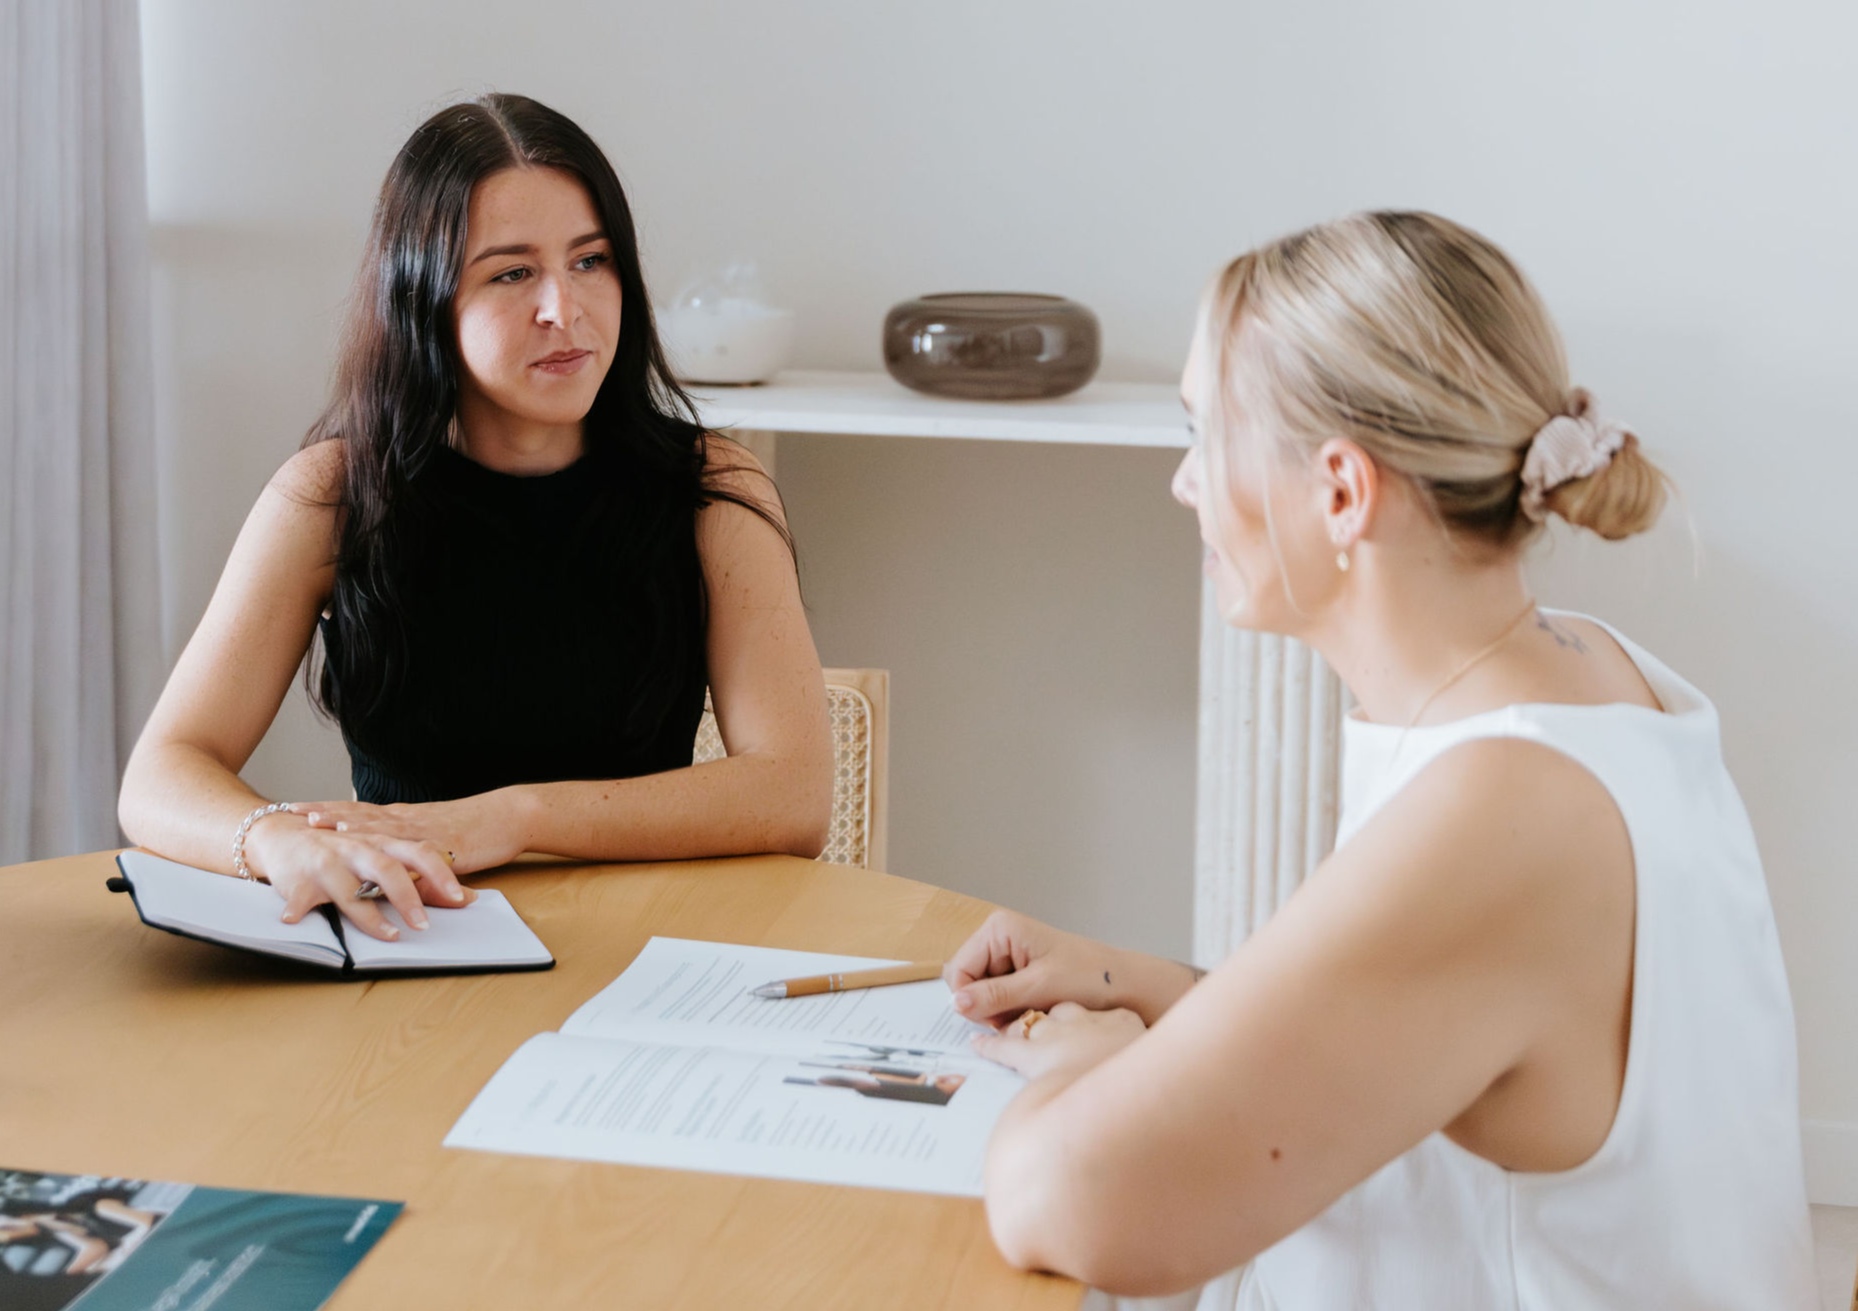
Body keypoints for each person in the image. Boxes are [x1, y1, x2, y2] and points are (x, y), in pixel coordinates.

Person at [945, 212, 1816, 1308]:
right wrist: (1134, 988)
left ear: (1342, 492)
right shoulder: (1590, 677)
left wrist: (1085, 1069)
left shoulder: (1506, 806)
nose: (1184, 486)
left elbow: (1070, 1201)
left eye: (1202, 437)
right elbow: (1425, 1031)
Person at [118, 94, 834, 943]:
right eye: (511, 273)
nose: (562, 310)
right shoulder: (335, 496)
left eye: (591, 261)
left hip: (644, 946)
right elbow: (160, 776)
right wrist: (270, 838)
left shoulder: (713, 490)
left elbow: (794, 795)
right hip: (411, 942)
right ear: (423, 299)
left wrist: (510, 819)